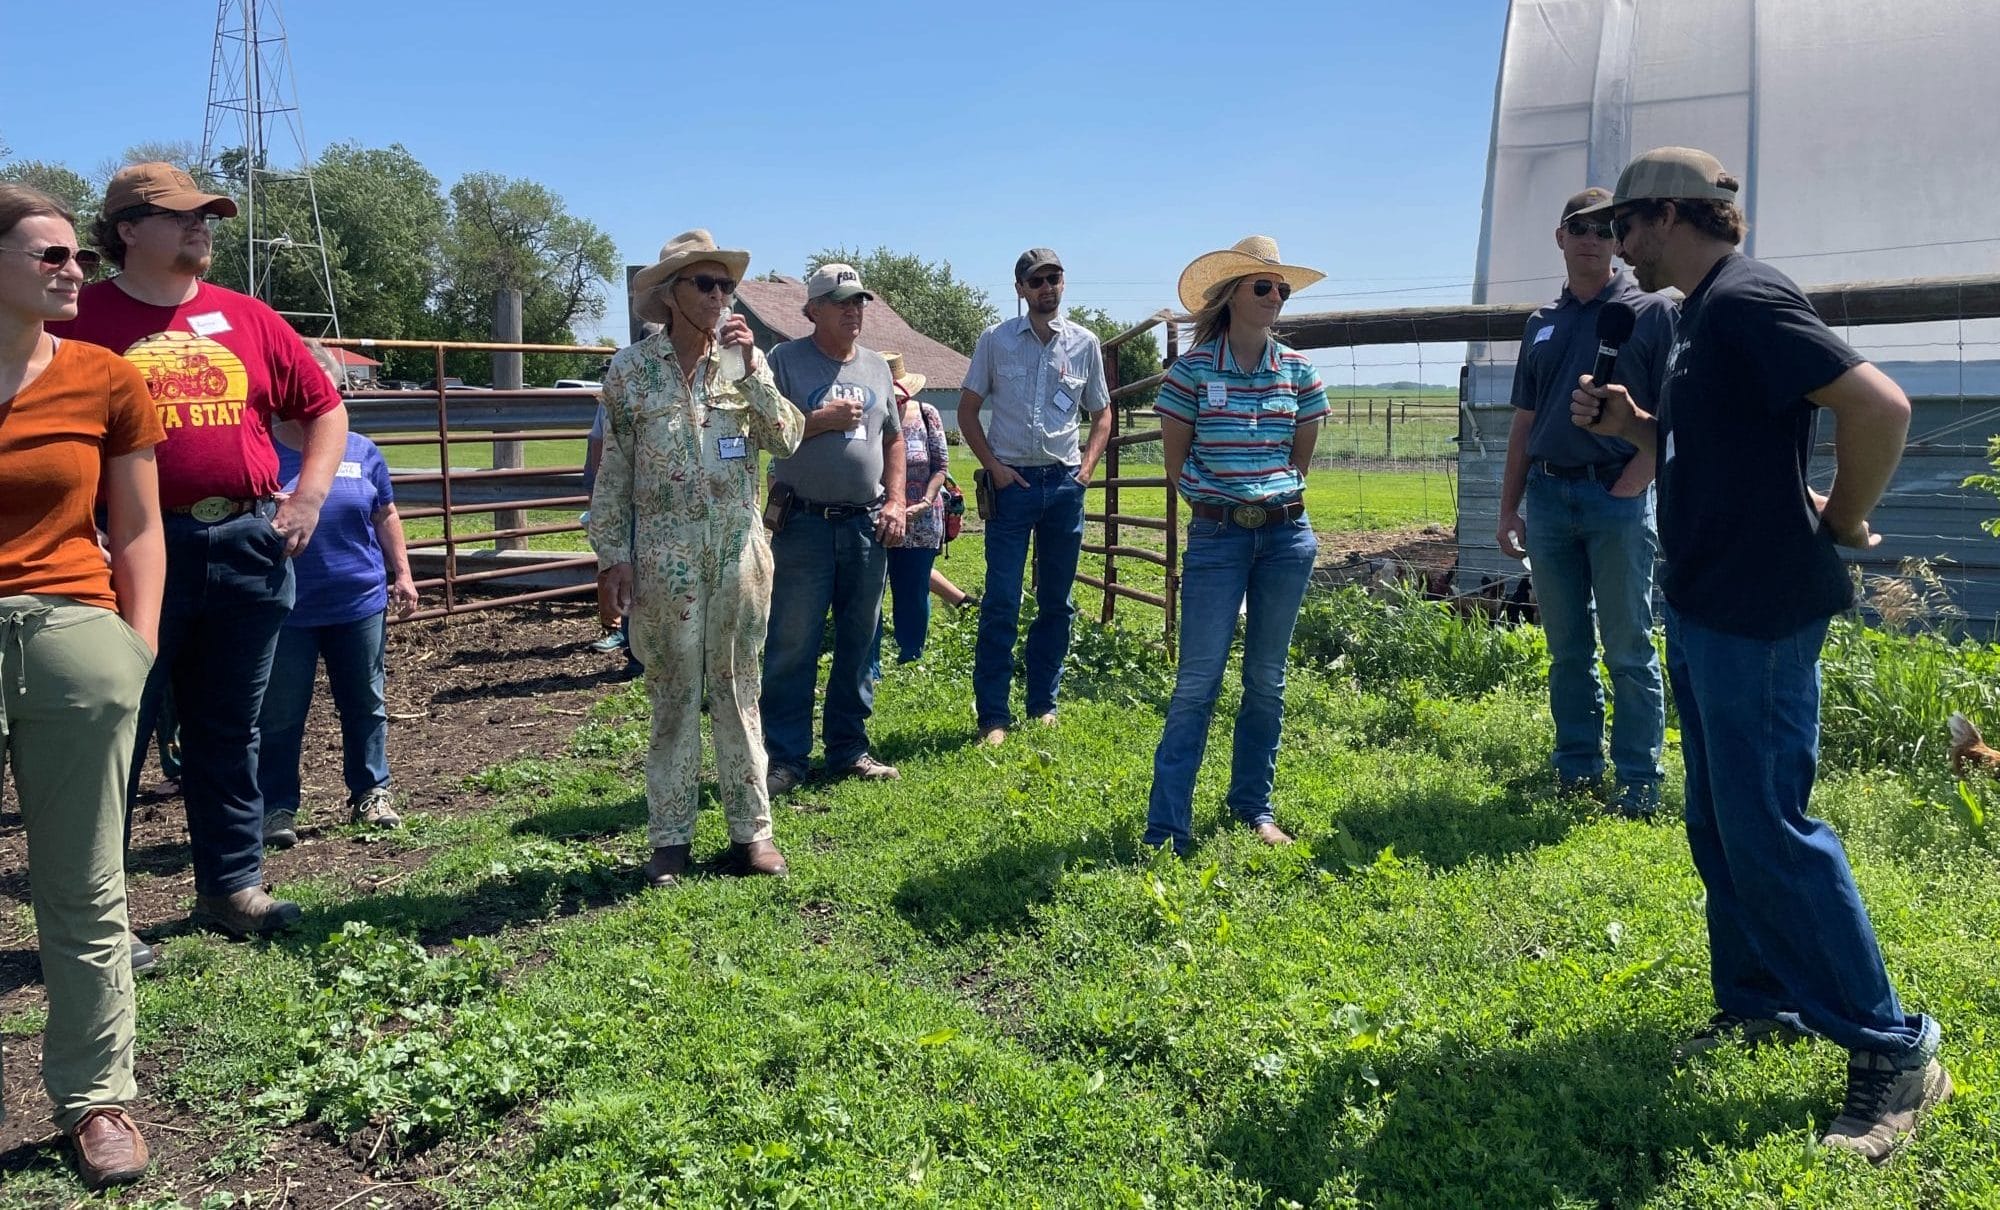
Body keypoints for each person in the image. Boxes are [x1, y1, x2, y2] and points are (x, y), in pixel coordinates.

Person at [1571, 146, 1950, 1161]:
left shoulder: (1743, 297)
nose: (1612, 248)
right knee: (1719, 819)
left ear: (1662, 216)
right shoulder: (1696, 314)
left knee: (1771, 825)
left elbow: (1877, 404)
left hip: (1757, 607)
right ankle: (1759, 1000)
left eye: (1620, 227)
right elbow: (1721, 444)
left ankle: (1894, 1049)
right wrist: (1636, 425)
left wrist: (1844, 519)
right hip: (1704, 598)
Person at [51, 163, 349, 953]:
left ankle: (230, 885)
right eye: (181, 217)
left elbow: (323, 408)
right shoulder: (77, 320)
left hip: (247, 546)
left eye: (207, 216)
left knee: (230, 729)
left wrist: (308, 495)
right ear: (125, 230)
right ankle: (99, 918)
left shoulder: (247, 316)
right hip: (129, 557)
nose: (202, 228)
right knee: (116, 731)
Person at [0, 183, 164, 1189]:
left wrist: (133, 646)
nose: (74, 270)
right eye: (50, 256)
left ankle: (97, 1097)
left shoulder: (105, 377)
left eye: (76, 255)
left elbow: (139, 526)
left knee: (83, 884)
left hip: (72, 634)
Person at [591, 230, 804, 883]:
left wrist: (754, 372)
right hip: (663, 560)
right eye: (704, 284)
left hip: (736, 553)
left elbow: (788, 438)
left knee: (740, 691)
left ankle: (753, 834)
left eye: (724, 286)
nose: (719, 296)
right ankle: (669, 840)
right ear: (671, 295)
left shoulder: (746, 364)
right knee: (674, 697)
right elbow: (614, 472)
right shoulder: (630, 372)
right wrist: (611, 558)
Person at [1141, 237, 1327, 855]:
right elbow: (1178, 466)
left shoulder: (1299, 372)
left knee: (1267, 681)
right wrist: (1222, 501)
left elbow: (1299, 463)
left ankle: (1254, 805)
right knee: (1197, 681)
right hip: (1219, 535)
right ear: (1230, 295)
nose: (1275, 297)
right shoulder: (1190, 373)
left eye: (1282, 289)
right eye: (1263, 286)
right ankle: (1168, 824)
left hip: (1285, 536)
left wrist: (1265, 497)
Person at [1494, 187, 1675, 818]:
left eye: (1606, 227)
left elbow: (1672, 416)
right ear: (1560, 237)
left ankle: (1638, 782)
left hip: (1614, 495)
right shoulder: (1540, 322)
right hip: (1547, 497)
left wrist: (1637, 481)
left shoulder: (1652, 312)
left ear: (1619, 240)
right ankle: (1576, 767)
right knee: (1567, 646)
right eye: (1580, 226)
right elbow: (1524, 419)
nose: (1593, 237)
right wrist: (1508, 504)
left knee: (1628, 644)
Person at [256, 343, 419, 849]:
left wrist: (403, 574)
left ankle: (372, 792)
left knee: (365, 703)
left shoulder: (361, 449)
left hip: (357, 599)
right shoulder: (260, 451)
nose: (316, 390)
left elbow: (384, 513)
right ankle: (276, 807)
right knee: (281, 711)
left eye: (325, 380)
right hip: (285, 606)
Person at [759, 263, 906, 793]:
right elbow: (765, 431)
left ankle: (848, 749)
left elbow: (893, 437)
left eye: (859, 301)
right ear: (812, 310)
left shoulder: (875, 366)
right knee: (792, 643)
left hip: (866, 525)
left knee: (859, 641)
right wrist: (819, 421)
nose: (854, 310)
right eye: (841, 302)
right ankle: (787, 759)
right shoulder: (784, 360)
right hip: (805, 524)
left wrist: (895, 500)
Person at [957, 248, 1112, 744]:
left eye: (1055, 277)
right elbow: (966, 410)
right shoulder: (996, 341)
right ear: (1020, 289)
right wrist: (995, 469)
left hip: (1064, 485)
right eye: (1036, 280)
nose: (1047, 287)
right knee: (1002, 600)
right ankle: (994, 717)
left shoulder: (1084, 343)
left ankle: (1043, 703)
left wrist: (1084, 472)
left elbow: (1102, 413)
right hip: (1013, 487)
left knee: (1057, 602)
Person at [880, 351, 950, 664]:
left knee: (913, 587)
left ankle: (911, 653)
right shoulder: (868, 414)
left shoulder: (926, 413)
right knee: (871, 592)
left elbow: (941, 465)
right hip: (876, 515)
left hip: (921, 517)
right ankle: (870, 660)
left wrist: (924, 501)